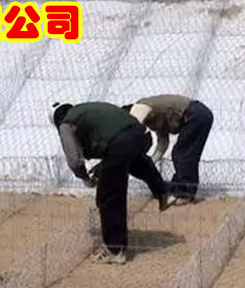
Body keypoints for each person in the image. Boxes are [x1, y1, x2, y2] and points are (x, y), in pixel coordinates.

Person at [49, 101, 175, 265]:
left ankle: (115, 250)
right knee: (136, 162)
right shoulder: (86, 110)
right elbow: (112, 143)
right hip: (141, 134)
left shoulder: (66, 124)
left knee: (108, 197)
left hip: (120, 143)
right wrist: (103, 167)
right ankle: (164, 193)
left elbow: (74, 160)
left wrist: (85, 177)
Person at [121, 94, 213, 205]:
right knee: (185, 153)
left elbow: (134, 129)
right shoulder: (154, 118)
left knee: (182, 154)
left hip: (195, 114)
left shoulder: (138, 108)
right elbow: (163, 144)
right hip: (198, 114)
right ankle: (180, 189)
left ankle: (185, 194)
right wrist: (151, 163)